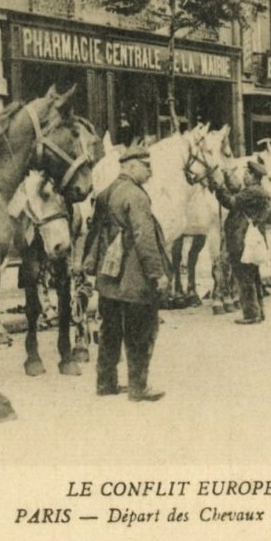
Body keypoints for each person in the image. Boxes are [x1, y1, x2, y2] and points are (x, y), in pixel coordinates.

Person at [83, 145, 170, 402]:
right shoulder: (136, 195)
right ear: (131, 167)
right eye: (146, 166)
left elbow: (94, 235)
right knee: (140, 332)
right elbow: (144, 238)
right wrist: (157, 273)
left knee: (109, 331)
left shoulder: (105, 193)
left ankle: (105, 383)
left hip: (109, 278)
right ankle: (138, 387)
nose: (150, 172)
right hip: (134, 279)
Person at [214, 160, 271, 324]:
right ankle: (259, 311)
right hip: (251, 241)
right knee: (253, 277)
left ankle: (251, 314)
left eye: (247, 173)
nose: (244, 176)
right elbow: (238, 195)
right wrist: (227, 179)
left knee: (244, 278)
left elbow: (231, 202)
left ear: (253, 176)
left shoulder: (252, 192)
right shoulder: (258, 191)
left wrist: (219, 187)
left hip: (242, 240)